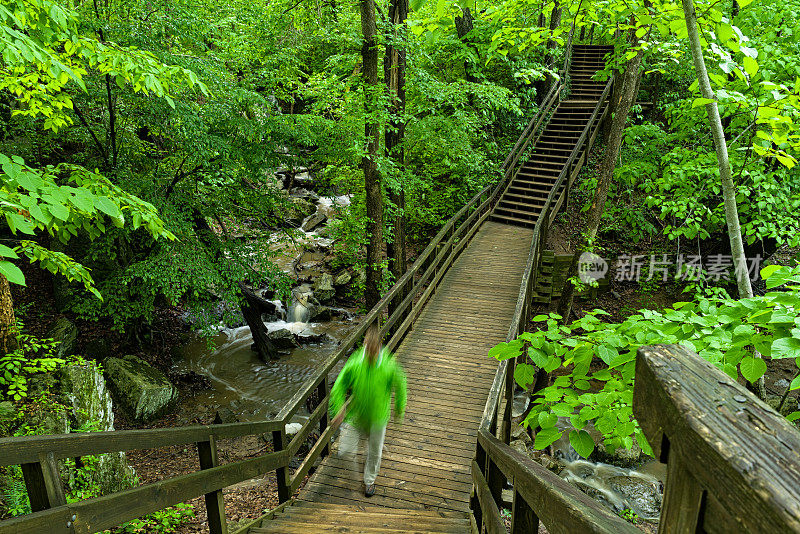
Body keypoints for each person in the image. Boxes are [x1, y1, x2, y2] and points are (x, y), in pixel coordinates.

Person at [329, 323, 407, 497]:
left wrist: (399, 409)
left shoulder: (388, 364)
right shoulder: (356, 361)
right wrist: (339, 407)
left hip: (378, 416)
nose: (371, 357)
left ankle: (369, 481)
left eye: (374, 353)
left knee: (374, 451)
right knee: (345, 451)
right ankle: (359, 473)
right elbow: (339, 386)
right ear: (364, 346)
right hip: (356, 414)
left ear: (379, 347)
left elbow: (401, 385)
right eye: (368, 353)